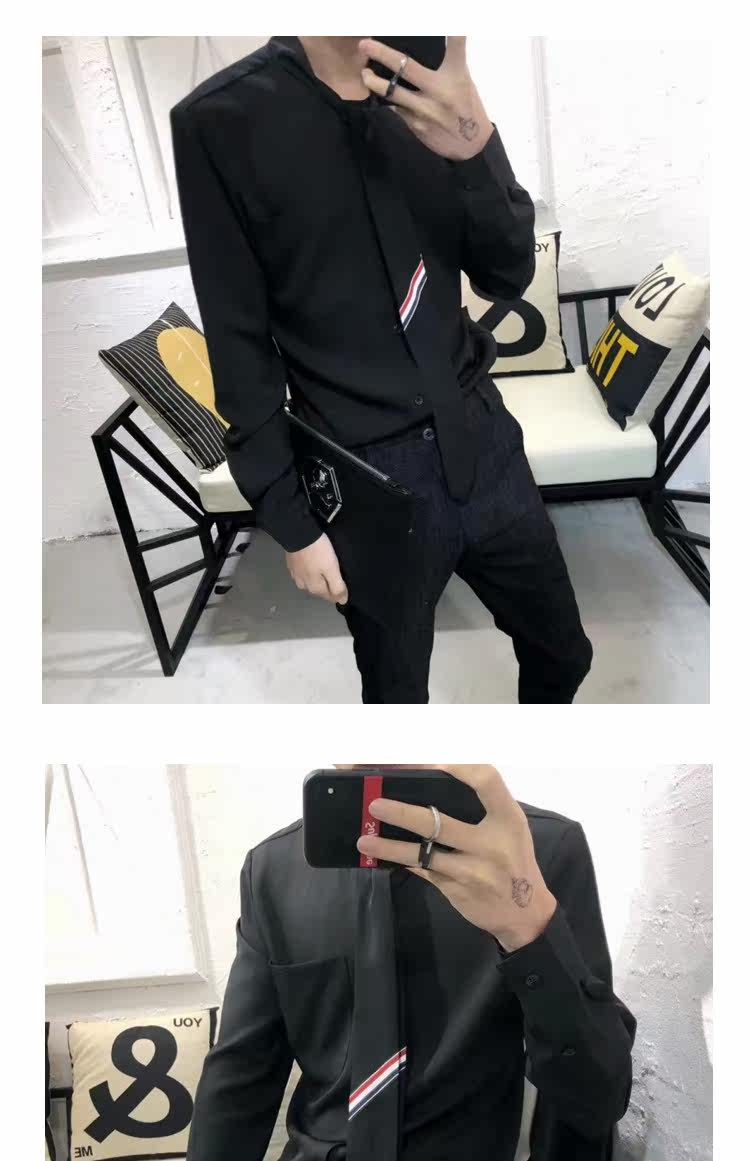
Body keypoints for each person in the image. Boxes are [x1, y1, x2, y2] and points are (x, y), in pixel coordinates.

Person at [170, 37, 593, 703]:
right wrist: (293, 521)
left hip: (483, 440)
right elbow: (238, 344)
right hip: (365, 477)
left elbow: (507, 274)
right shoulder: (221, 121)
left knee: (564, 654)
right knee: (396, 698)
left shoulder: (429, 83)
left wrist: (474, 143)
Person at [186, 765, 636, 1161]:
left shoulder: (533, 854)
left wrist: (529, 933)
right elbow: (241, 1075)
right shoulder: (272, 870)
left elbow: (596, 1100)